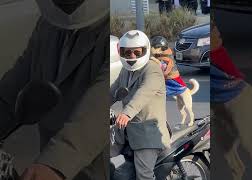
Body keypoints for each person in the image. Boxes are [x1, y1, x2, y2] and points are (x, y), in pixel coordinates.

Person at [0, 0, 108, 179]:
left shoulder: (109, 32)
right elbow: (14, 86)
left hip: (87, 167)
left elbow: (99, 108)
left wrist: (55, 164)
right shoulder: (49, 24)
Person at [110, 30, 171, 180]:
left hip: (147, 133)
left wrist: (126, 113)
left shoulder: (153, 70)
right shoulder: (126, 70)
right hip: (126, 130)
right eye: (127, 52)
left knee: (144, 175)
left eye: (137, 52)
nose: (132, 56)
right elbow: (113, 91)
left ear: (146, 50)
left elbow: (143, 93)